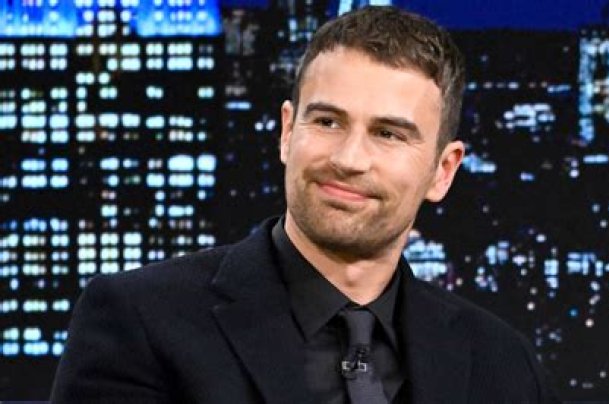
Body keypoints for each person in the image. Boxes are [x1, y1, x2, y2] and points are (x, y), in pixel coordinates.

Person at [51, 6, 558, 403]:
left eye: (388, 133)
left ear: (443, 170)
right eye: (328, 122)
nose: (349, 159)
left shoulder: (502, 363)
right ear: (287, 131)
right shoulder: (141, 322)